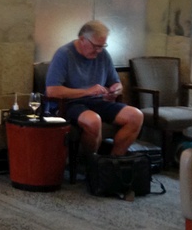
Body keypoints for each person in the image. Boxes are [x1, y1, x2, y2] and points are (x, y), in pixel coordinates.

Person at [45, 20, 143, 158]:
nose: (99, 51)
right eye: (95, 46)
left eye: (102, 46)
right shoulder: (64, 54)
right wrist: (87, 91)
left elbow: (117, 83)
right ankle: (91, 163)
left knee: (135, 116)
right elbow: (52, 91)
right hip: (70, 104)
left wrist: (115, 90)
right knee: (93, 121)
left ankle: (112, 163)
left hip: (97, 102)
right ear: (82, 39)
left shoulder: (103, 55)